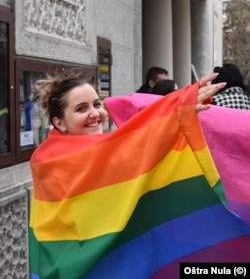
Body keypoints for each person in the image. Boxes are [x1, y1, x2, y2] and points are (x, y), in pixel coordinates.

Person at [29, 69, 229, 279]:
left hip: (115, 261)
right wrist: (178, 107)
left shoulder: (106, 149)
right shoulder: (49, 159)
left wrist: (183, 109)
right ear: (59, 123)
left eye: (97, 104)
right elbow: (135, 145)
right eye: (81, 109)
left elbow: (142, 147)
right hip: (76, 267)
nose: (95, 114)